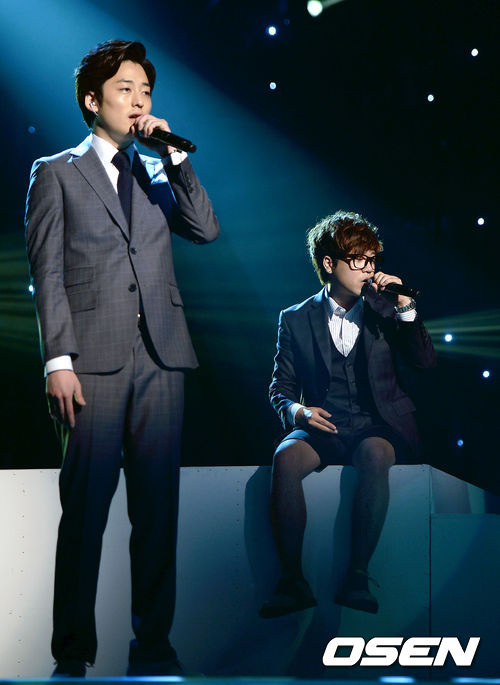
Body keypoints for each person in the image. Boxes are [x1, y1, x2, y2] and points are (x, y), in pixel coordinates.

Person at [25, 40, 219, 676]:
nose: (139, 101)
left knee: (157, 512)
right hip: (91, 363)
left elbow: (205, 229)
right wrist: (58, 360)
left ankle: (153, 647)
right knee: (85, 510)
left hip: (161, 359)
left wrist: (175, 158)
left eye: (146, 91)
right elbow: (47, 273)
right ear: (93, 100)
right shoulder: (56, 172)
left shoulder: (156, 171)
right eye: (125, 89)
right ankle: (72, 653)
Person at [259, 210, 435, 618]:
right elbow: (280, 387)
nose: (368, 269)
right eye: (358, 260)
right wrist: (299, 412)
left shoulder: (386, 309)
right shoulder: (295, 318)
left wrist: (405, 306)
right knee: (285, 458)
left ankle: (357, 576)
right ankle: (292, 581)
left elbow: (424, 362)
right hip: (325, 425)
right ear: (329, 263)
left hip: (377, 424)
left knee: (376, 454)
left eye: (372, 260)